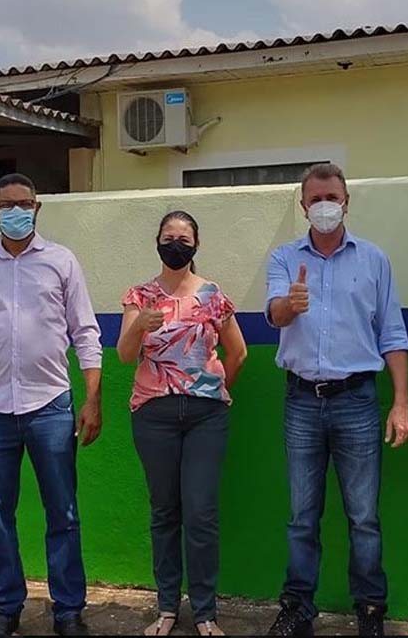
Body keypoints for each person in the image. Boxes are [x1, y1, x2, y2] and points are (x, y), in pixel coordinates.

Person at [0, 173, 102, 637]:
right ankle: (6, 608)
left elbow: (85, 334)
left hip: (51, 406)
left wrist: (92, 398)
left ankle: (68, 609)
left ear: (37, 207)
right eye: (6, 204)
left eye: (24, 203)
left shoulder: (61, 262)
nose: (15, 211)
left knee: (63, 512)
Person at [264, 163, 408, 637]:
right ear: (303, 204)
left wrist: (402, 402)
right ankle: (297, 608)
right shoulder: (285, 258)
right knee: (302, 516)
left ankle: (369, 610)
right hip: (302, 402)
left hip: (357, 401)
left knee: (364, 517)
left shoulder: (373, 260)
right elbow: (273, 313)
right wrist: (291, 304)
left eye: (333, 197)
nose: (324, 205)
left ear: (347, 202)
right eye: (315, 198)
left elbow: (392, 333)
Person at [117, 211, 247, 637]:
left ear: (196, 244)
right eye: (168, 236)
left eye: (184, 237)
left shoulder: (212, 295)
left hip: (205, 417)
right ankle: (167, 606)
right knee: (165, 511)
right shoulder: (140, 296)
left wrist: (213, 388)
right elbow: (123, 354)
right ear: (157, 241)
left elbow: (238, 352)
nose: (176, 243)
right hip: (153, 416)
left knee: (202, 512)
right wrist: (141, 325)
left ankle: (206, 611)